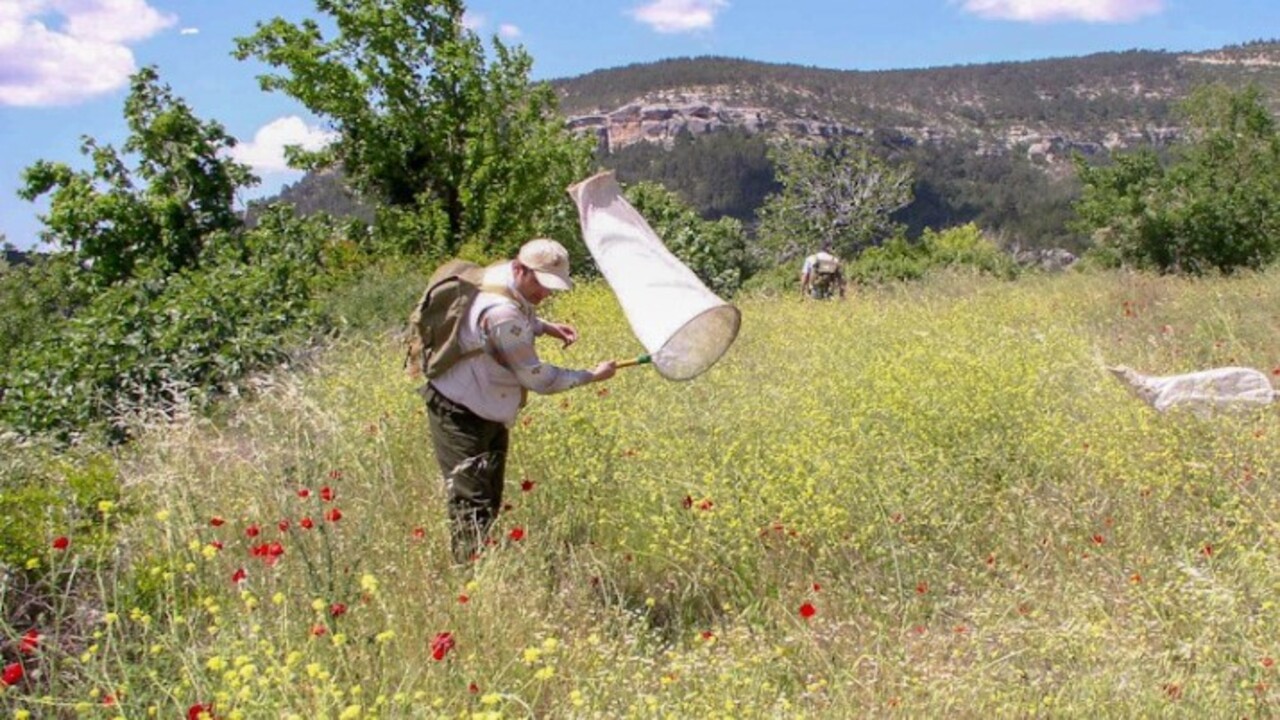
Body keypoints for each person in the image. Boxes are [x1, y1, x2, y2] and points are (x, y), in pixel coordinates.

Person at [424, 238, 616, 563]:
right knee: (471, 501)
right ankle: (470, 583)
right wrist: (590, 376)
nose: (546, 294)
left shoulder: (500, 277)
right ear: (519, 268)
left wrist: (545, 327)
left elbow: (517, 311)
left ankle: (482, 566)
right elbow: (538, 378)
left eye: (552, 286)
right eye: (541, 284)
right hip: (459, 409)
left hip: (486, 404)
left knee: (489, 497)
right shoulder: (502, 315)